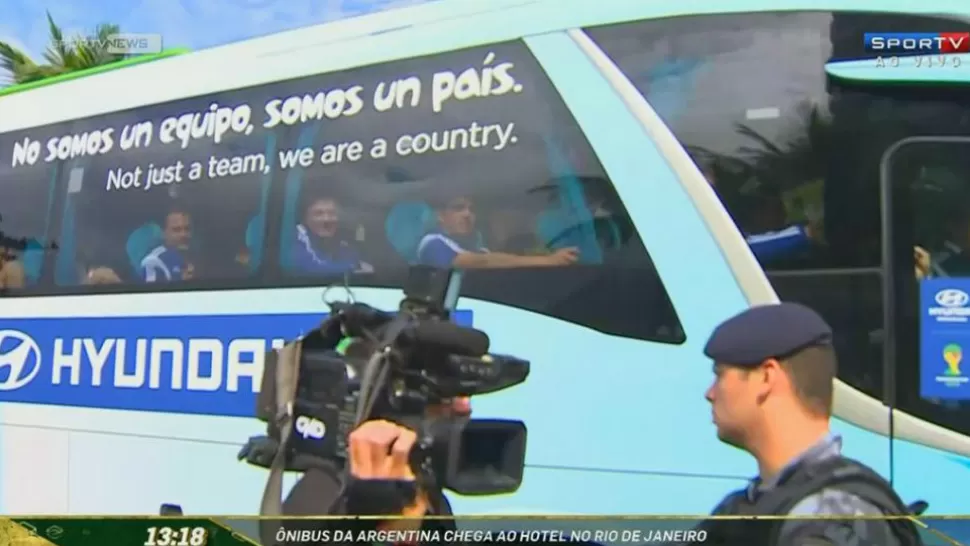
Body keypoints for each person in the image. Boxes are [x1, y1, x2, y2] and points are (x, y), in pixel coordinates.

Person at [689, 302, 923, 546]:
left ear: (766, 377)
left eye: (720, 374)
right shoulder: (754, 505)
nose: (710, 393)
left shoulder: (829, 520)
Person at [417, 194, 579, 269]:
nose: (467, 214)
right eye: (458, 208)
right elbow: (483, 262)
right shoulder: (432, 243)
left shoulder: (480, 249)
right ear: (441, 216)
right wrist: (549, 261)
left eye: (471, 210)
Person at [291, 195, 373, 275]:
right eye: (318, 214)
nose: (326, 219)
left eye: (332, 213)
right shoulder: (296, 237)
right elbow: (313, 267)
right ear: (306, 218)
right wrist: (353, 267)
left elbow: (355, 260)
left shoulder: (343, 243)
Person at [141, 208, 195, 283]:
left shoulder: (201, 257)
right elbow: (153, 294)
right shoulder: (153, 261)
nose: (183, 235)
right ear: (164, 233)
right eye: (177, 230)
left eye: (187, 229)